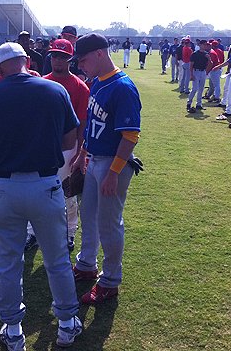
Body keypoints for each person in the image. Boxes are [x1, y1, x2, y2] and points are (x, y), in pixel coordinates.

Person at [0, 42, 82, 349]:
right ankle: (67, 324)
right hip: (45, 184)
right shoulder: (55, 91)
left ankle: (13, 330)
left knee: (8, 262)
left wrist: (1, 151)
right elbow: (69, 140)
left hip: (4, 187)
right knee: (56, 259)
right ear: (28, 61)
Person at [70, 33, 142, 305]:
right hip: (94, 160)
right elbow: (91, 127)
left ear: (100, 53)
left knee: (109, 224)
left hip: (114, 163)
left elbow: (131, 135)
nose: (80, 65)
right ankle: (86, 264)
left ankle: (110, 281)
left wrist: (113, 173)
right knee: (88, 216)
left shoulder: (123, 87)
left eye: (84, 59)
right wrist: (81, 155)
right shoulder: (99, 83)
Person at [40, 39, 90, 252]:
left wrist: (80, 153)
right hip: (43, 145)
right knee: (39, 190)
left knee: (67, 191)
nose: (57, 60)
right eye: (54, 56)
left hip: (69, 147)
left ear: (71, 60)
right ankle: (35, 232)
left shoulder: (79, 87)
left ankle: (69, 232)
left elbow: (83, 124)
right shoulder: (41, 82)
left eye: (62, 56)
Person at [187, 40, 213, 112]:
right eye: (204, 44)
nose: (205, 46)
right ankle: (189, 103)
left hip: (203, 72)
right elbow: (191, 65)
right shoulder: (195, 54)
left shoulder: (207, 54)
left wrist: (209, 58)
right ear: (200, 45)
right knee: (195, 88)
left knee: (201, 89)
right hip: (196, 71)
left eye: (206, 45)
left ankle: (199, 104)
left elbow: (211, 64)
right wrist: (192, 74)